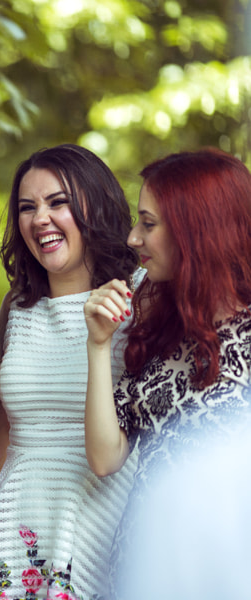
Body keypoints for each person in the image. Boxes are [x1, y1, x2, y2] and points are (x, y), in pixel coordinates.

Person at [0, 145, 139, 600]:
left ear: (94, 206)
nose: (39, 218)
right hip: (17, 521)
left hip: (103, 510)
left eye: (57, 202)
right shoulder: (17, 307)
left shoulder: (138, 296)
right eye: (27, 208)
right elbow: (0, 422)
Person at [83, 148, 251, 598]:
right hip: (145, 563)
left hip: (225, 568)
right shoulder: (160, 331)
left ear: (197, 230)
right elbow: (104, 458)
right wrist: (98, 346)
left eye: (148, 223)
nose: (133, 238)